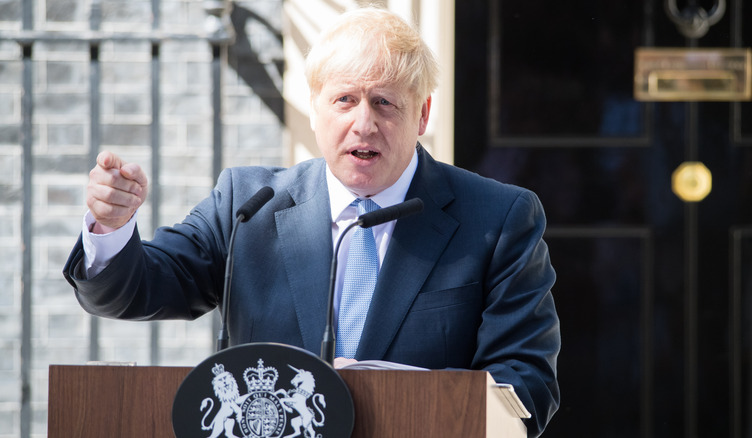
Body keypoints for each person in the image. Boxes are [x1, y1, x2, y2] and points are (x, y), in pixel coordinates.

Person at [63, 7, 560, 436]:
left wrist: (416, 397)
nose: (363, 123)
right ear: (316, 109)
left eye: (385, 102)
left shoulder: (498, 218)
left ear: (423, 114)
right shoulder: (248, 205)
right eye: (345, 99)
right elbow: (135, 290)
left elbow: (527, 383)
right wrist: (111, 228)